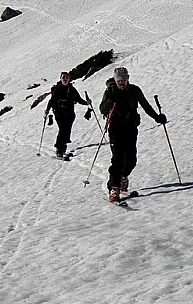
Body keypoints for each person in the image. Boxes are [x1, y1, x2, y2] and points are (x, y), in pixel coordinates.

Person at [99, 66, 167, 202]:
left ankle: (123, 177)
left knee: (131, 159)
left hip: (130, 127)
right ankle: (114, 187)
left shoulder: (135, 90)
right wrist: (110, 100)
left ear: (128, 78)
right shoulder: (110, 91)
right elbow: (102, 109)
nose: (121, 83)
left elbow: (145, 105)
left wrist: (157, 117)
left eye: (123, 80)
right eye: (119, 81)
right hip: (115, 129)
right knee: (117, 159)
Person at [45, 71, 90, 158]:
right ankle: (59, 148)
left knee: (67, 130)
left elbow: (78, 99)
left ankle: (63, 148)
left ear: (69, 79)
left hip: (69, 113)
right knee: (62, 129)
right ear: (61, 79)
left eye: (66, 77)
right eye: (63, 77)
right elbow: (52, 100)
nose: (65, 79)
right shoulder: (58, 89)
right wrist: (47, 109)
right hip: (59, 112)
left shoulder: (72, 89)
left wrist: (86, 103)